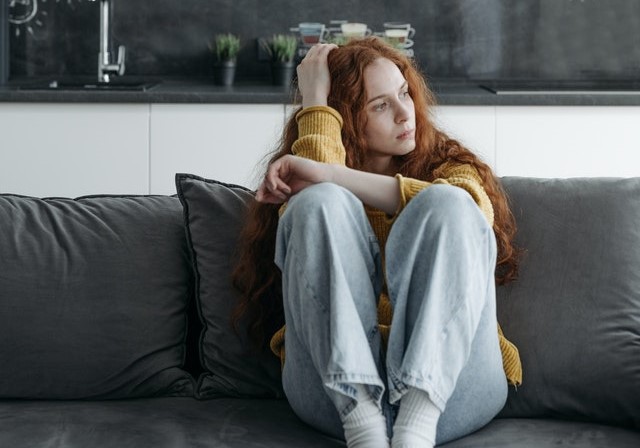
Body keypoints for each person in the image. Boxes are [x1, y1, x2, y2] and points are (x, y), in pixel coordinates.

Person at [232, 37, 522, 448]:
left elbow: (469, 213)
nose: (407, 113)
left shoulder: (450, 164)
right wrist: (315, 100)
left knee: (446, 202)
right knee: (315, 201)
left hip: (451, 391)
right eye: (381, 105)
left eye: (404, 93)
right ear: (346, 118)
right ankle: (363, 421)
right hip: (335, 394)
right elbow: (309, 198)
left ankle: (415, 425)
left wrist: (330, 174)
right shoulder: (326, 190)